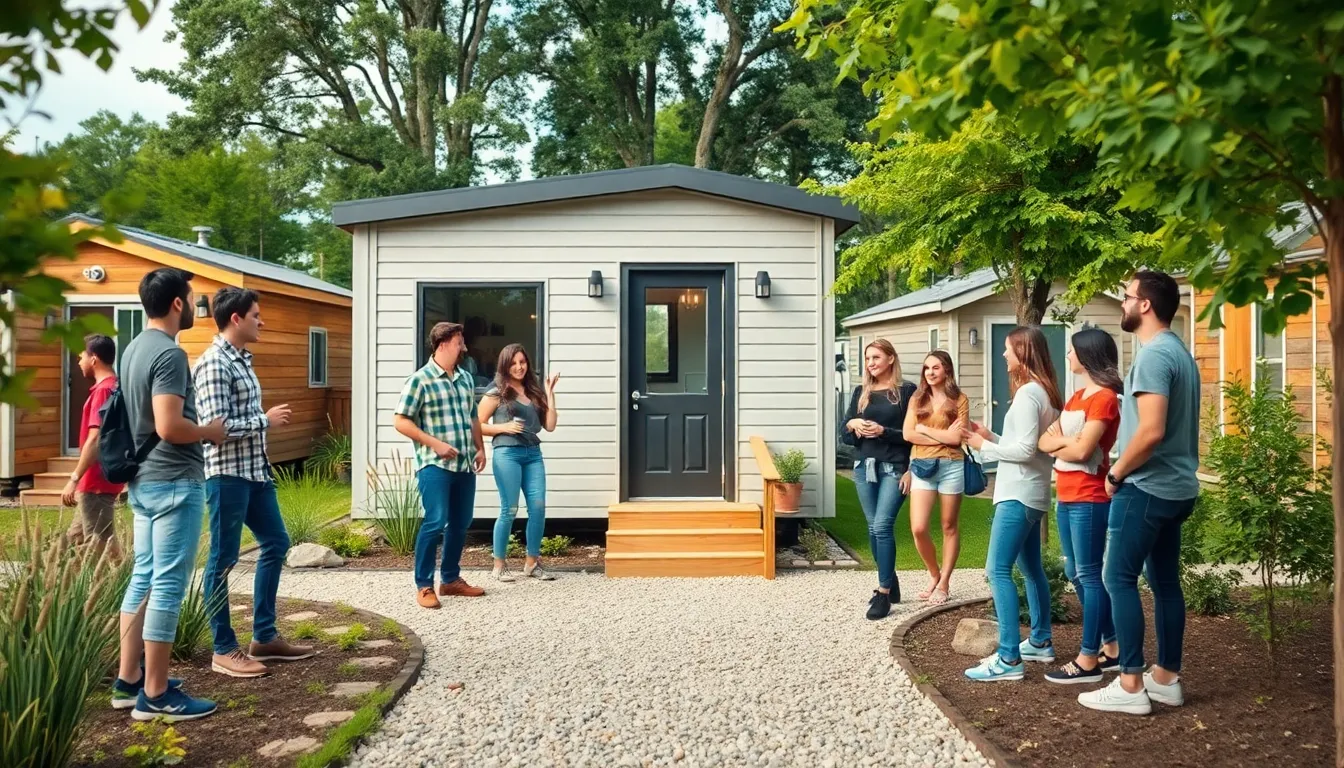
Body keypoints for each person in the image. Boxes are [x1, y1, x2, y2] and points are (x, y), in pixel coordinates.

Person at [1079, 271, 1201, 715]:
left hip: (1146, 487)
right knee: (1165, 582)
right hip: (1177, 488)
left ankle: (1130, 685)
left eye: (1127, 296)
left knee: (1117, 578)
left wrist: (1115, 475)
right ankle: (1165, 679)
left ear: (1145, 304)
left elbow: (1150, 432)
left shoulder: (1153, 357)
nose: (1123, 303)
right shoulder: (1180, 353)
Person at [113, 267, 226, 721]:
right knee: (168, 585)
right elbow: (169, 426)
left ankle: (129, 681)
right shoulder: (170, 354)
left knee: (143, 577)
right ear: (177, 303)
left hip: (142, 481)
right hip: (175, 482)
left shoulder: (132, 349)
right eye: (193, 298)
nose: (197, 305)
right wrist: (209, 431)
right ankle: (157, 695)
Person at [194, 286, 314, 678]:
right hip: (227, 476)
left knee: (276, 543)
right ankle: (223, 649)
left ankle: (264, 636)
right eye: (256, 316)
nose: (262, 322)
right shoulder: (215, 364)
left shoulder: (242, 360)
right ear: (236, 319)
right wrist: (265, 420)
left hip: (255, 473)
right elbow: (215, 428)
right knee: (223, 559)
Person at [962, 326, 1062, 682]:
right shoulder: (1044, 392)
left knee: (997, 571)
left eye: (1008, 349)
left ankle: (1008, 658)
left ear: (1023, 352)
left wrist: (983, 446)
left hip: (1017, 495)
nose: (1004, 354)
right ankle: (1040, 640)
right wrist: (990, 436)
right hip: (1032, 495)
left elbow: (1024, 451)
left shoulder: (1028, 394)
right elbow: (1025, 444)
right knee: (1032, 570)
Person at [1038, 328, 1123, 684]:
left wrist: (1066, 443)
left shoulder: (1104, 398)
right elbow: (1043, 442)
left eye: (1072, 351)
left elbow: (1085, 450)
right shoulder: (1076, 398)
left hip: (1090, 496)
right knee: (1075, 571)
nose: (1068, 356)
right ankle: (1113, 647)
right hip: (1066, 495)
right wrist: (1066, 443)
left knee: (1088, 573)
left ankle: (1088, 659)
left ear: (1087, 357)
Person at [394, 321, 488, 609]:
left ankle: (450, 580)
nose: (464, 347)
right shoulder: (420, 380)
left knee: (461, 523)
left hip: (464, 465)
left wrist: (480, 448)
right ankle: (424, 585)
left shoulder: (465, 378)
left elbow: (473, 417)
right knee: (435, 521)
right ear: (444, 343)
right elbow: (401, 421)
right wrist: (434, 443)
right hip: (433, 464)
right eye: (460, 342)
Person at [842, 339, 917, 620]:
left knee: (883, 526)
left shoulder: (907, 391)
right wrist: (852, 424)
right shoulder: (861, 392)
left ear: (890, 359)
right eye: (867, 358)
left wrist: (884, 432)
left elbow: (913, 435)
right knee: (873, 528)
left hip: (894, 468)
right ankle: (890, 579)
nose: (870, 363)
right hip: (864, 467)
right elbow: (844, 435)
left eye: (876, 357)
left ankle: (883, 593)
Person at [478, 344, 560, 582]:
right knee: (509, 509)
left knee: (538, 507)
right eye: (513, 363)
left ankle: (532, 563)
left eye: (522, 362)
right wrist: (503, 427)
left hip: (533, 454)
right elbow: (477, 424)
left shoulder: (534, 391)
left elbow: (550, 426)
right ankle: (499, 565)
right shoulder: (496, 392)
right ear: (505, 365)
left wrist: (550, 393)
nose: (519, 367)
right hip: (507, 454)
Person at [902, 350, 969, 605]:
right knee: (918, 528)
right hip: (922, 467)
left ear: (947, 370)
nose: (930, 372)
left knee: (948, 526)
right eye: (927, 368)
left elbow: (957, 439)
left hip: (952, 466)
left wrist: (924, 429)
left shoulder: (959, 399)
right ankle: (934, 574)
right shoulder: (917, 398)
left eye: (936, 367)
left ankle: (944, 582)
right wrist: (941, 436)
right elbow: (908, 434)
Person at [61, 333, 124, 561]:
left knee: (102, 550)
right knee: (72, 544)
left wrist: (74, 478)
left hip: (96, 481)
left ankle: (128, 583)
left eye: (81, 357)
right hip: (96, 482)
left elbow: (95, 438)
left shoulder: (103, 391)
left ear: (94, 358)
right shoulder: (113, 387)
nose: (79, 362)